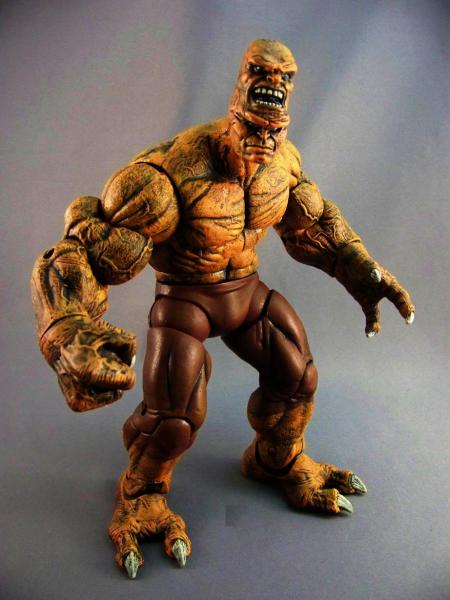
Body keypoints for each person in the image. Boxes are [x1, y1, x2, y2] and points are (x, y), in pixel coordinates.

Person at [31, 39, 414, 578]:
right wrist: (67, 331)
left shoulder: (283, 164)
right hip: (185, 300)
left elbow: (314, 225)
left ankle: (276, 461)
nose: (273, 84)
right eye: (261, 72)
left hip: (247, 294)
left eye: (285, 78)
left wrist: (362, 271)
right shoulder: (165, 177)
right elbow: (82, 251)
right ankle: (140, 495)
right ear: (240, 83)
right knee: (175, 417)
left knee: (297, 376)